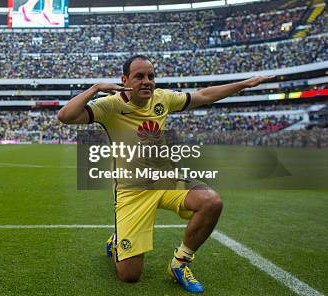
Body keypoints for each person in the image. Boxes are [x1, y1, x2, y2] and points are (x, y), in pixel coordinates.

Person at [57, 54, 273, 293]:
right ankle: (118, 240)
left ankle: (180, 263)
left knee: (211, 201)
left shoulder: (163, 98)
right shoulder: (110, 105)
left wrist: (243, 84)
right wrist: (96, 88)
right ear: (124, 79)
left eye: (151, 76)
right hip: (132, 192)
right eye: (139, 76)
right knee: (129, 276)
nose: (147, 81)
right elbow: (65, 116)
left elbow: (204, 95)